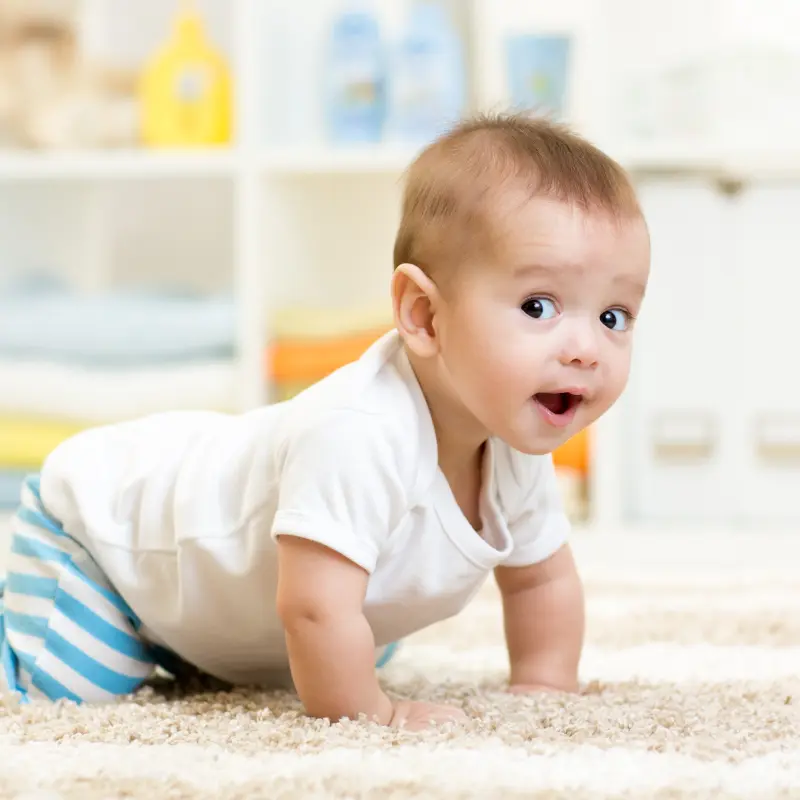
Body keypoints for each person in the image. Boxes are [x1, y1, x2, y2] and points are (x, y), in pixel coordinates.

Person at [0, 111, 650, 730]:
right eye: (539, 305)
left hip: (231, 619)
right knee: (74, 684)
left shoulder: (510, 445)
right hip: (109, 548)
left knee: (352, 635)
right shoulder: (358, 431)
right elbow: (312, 610)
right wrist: (371, 714)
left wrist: (545, 683)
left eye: (613, 317)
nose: (585, 347)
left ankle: (201, 650)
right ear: (424, 316)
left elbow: (541, 577)